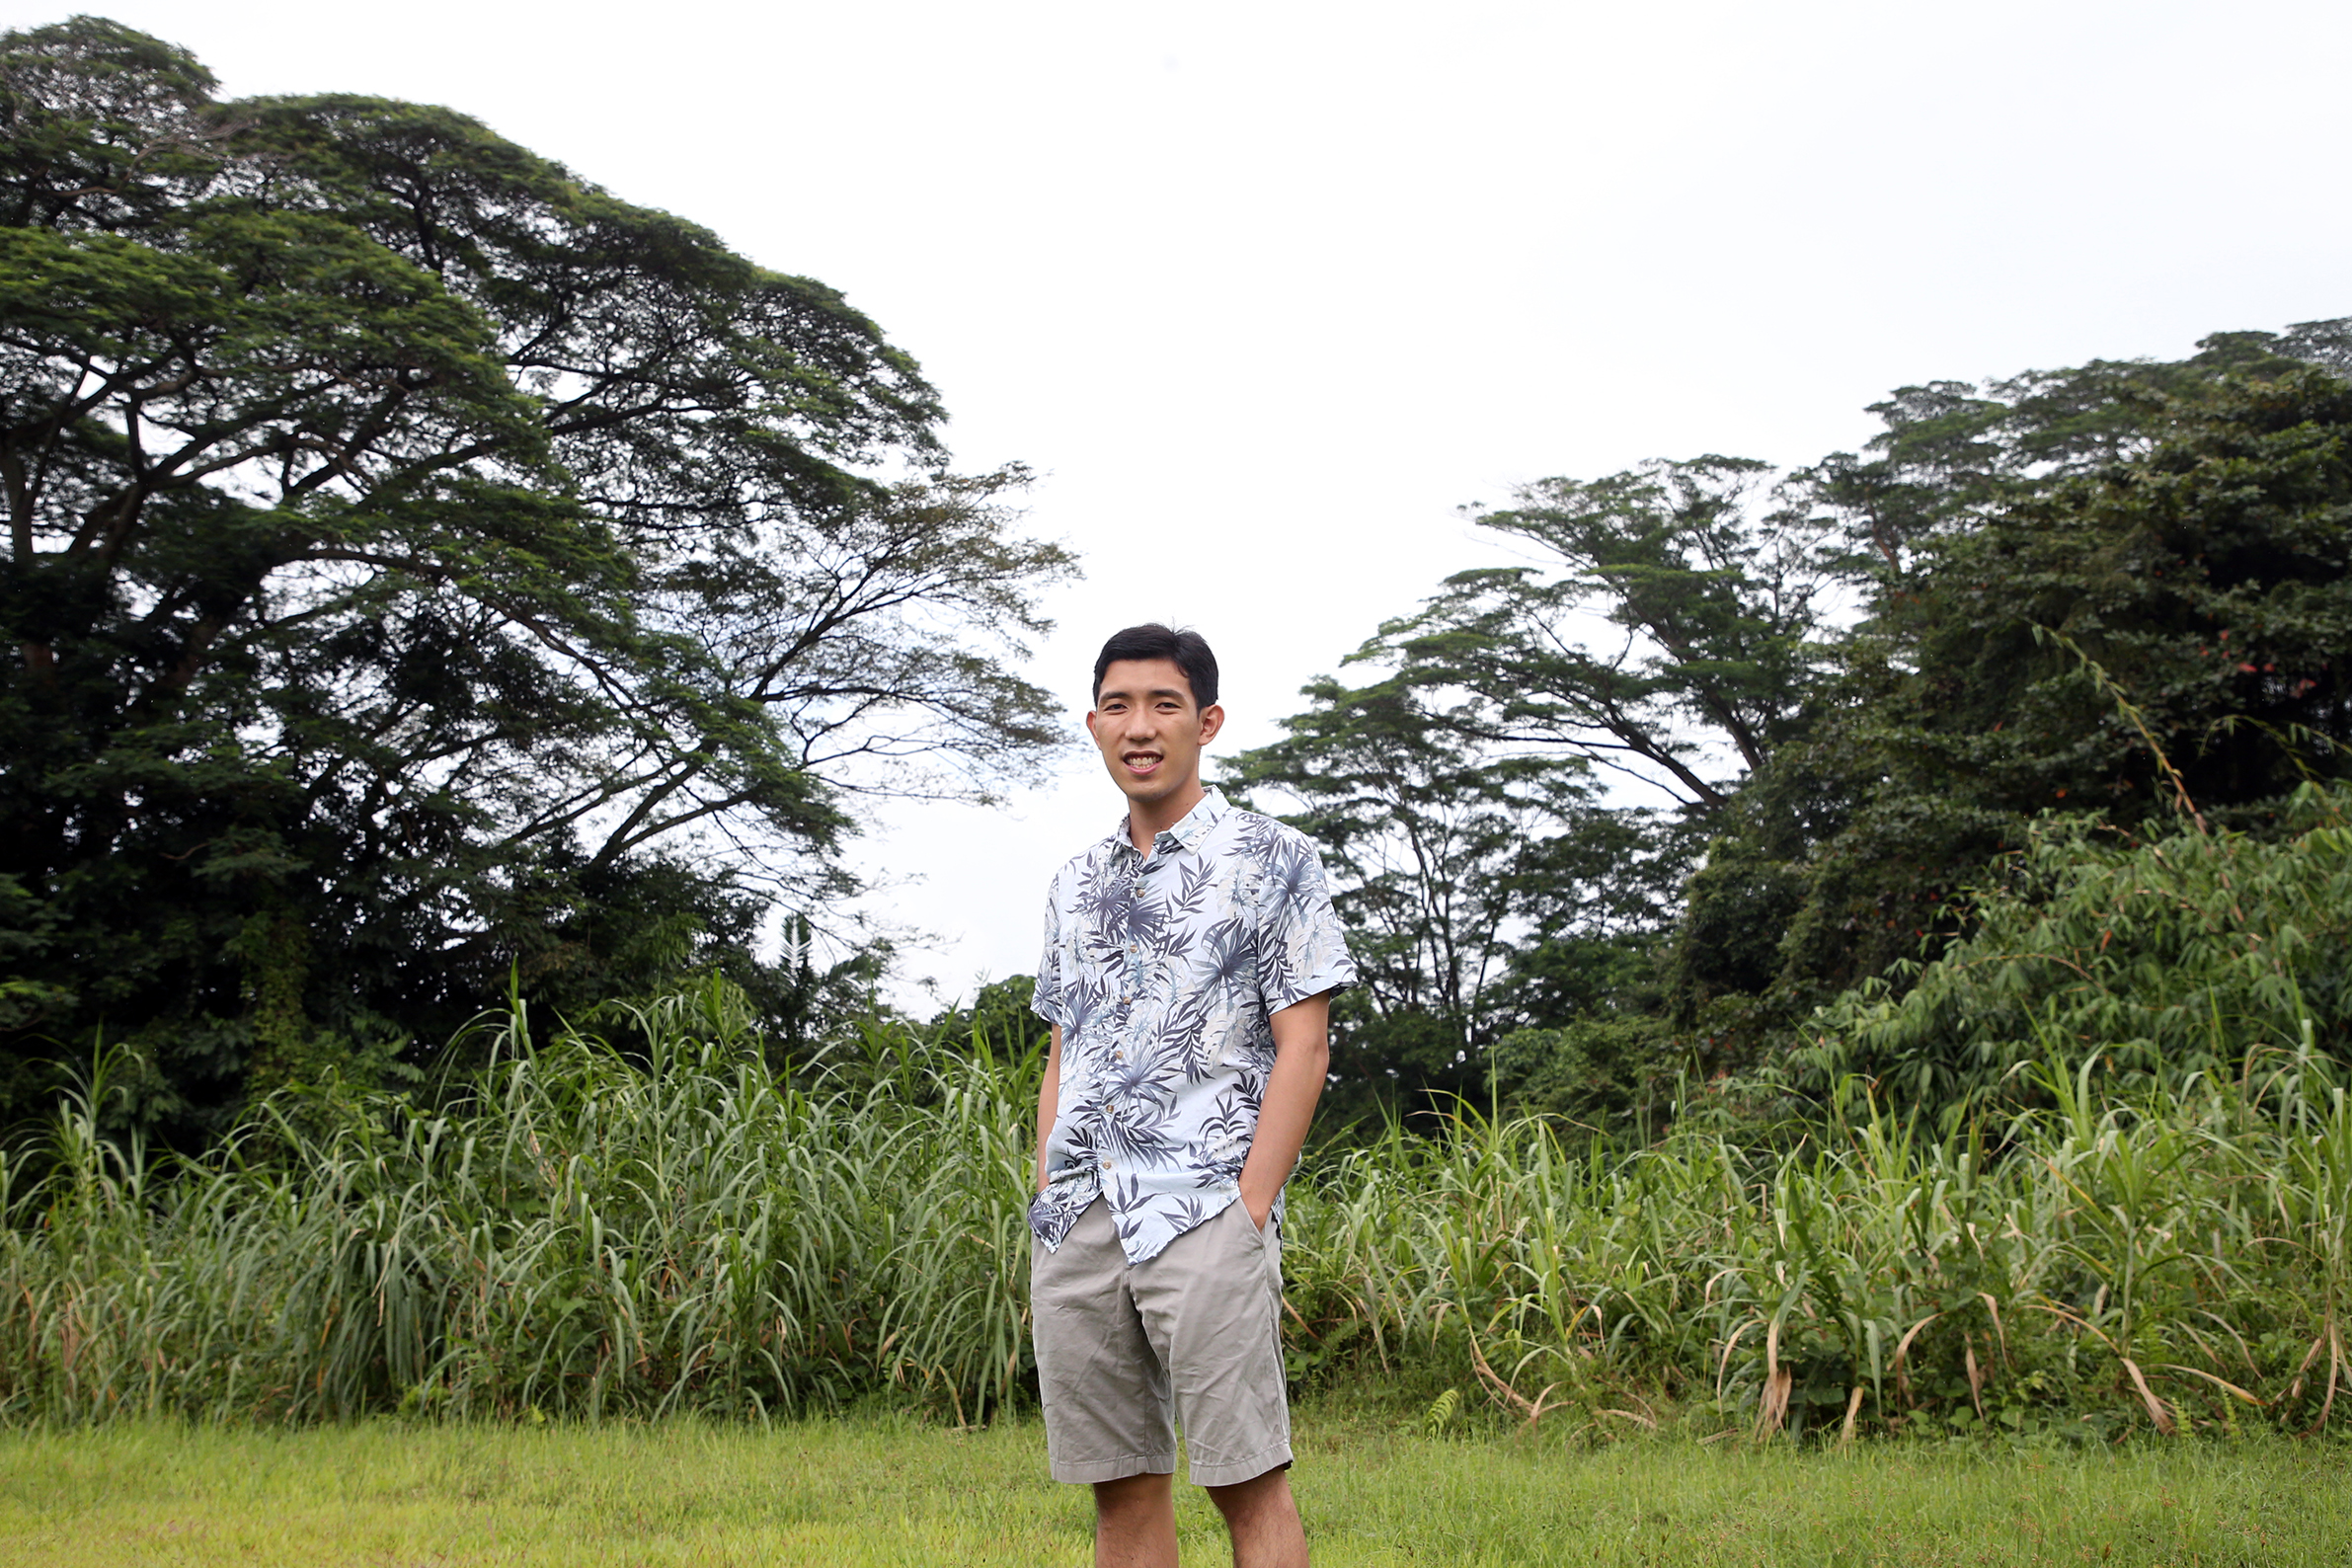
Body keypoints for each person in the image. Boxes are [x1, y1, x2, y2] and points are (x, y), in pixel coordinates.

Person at [1029, 623, 1355, 1568]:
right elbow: (1065, 1047)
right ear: (1094, 725)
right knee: (1122, 1488)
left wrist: (1249, 1206)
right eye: (1120, 706)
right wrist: (1049, 1189)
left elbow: (1307, 1044)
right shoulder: (1074, 884)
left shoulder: (1275, 860)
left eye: (1164, 704)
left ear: (1206, 722)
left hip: (1206, 1204)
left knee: (1245, 1482)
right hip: (1084, 1213)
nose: (1141, 727)